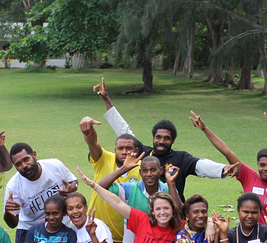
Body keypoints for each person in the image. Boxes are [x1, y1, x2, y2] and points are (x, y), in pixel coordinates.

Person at [93, 77, 235, 201]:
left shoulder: (181, 158)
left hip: (174, 213)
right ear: (153, 138)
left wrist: (223, 169)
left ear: (173, 141)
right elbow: (124, 131)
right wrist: (107, 100)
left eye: (167, 138)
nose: (162, 141)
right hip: (148, 213)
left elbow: (201, 165)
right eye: (158, 137)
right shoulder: (144, 154)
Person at [189, 111, 267, 224]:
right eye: (262, 165)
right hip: (250, 237)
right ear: (257, 165)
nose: (265, 169)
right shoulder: (249, 177)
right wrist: (205, 129)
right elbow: (227, 151)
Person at [97, 153, 180, 243]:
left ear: (160, 170)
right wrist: (123, 169)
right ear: (140, 172)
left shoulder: (167, 188)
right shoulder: (131, 188)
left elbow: (179, 213)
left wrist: (171, 183)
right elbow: (100, 188)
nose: (149, 174)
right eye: (145, 171)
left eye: (153, 170)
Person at [79, 111, 141, 243]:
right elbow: (92, 142)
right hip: (98, 233)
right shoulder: (104, 159)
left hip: (127, 239)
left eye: (129, 148)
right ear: (115, 150)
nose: (124, 152)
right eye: (120, 148)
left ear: (136, 150)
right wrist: (87, 125)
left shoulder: (144, 169)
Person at [3, 142, 77, 243]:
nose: (24, 166)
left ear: (34, 155)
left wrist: (73, 187)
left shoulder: (54, 165)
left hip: (60, 225)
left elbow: (72, 181)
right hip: (30, 230)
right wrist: (8, 212)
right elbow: (12, 224)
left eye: (26, 159)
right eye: (18, 164)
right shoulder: (13, 186)